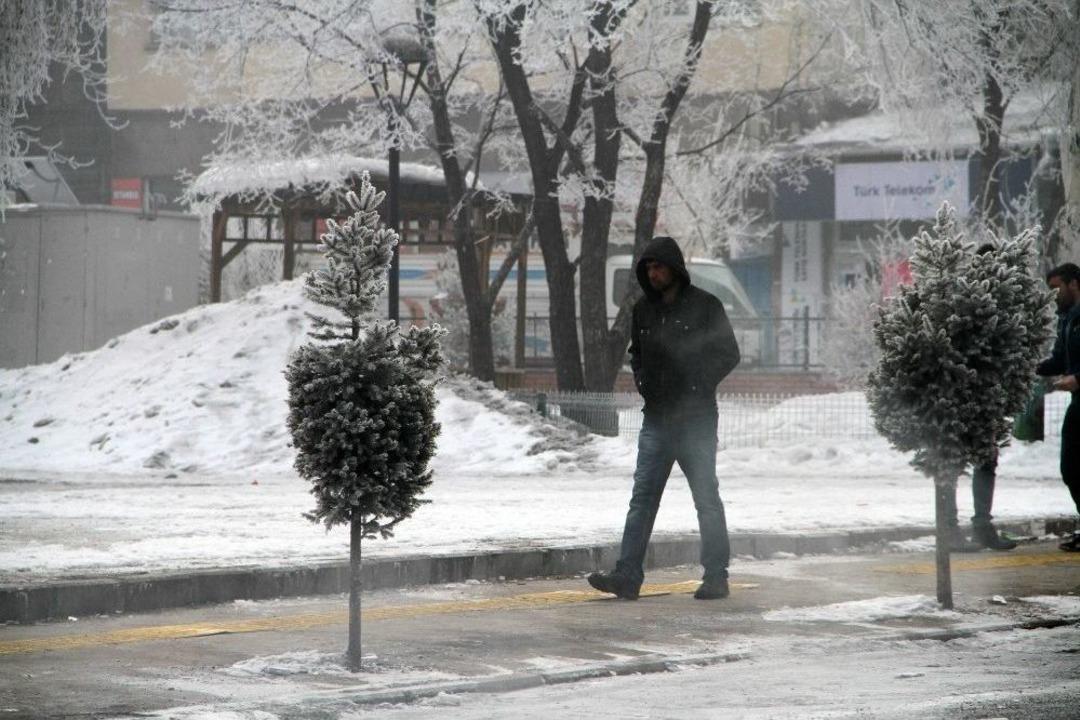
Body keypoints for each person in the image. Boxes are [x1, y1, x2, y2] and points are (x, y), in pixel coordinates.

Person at [587, 236, 740, 601]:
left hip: (696, 420)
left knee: (706, 497)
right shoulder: (643, 310)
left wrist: (697, 384)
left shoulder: (706, 306)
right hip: (656, 419)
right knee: (642, 498)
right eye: (649, 268)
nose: (653, 274)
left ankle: (716, 576)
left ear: (675, 267)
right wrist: (642, 379)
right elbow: (636, 354)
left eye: (659, 266)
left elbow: (728, 353)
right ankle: (628, 575)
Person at [944, 243, 1017, 552]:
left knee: (984, 461)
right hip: (964, 396)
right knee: (954, 463)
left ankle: (978, 527)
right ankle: (953, 529)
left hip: (986, 396)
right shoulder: (966, 300)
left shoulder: (1004, 302)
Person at [1036, 262, 1080, 552]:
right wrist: (1030, 366)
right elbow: (1059, 360)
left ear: (1073, 283)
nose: (1053, 296)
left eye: (1056, 289)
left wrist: (1078, 378)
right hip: (1079, 400)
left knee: (1074, 465)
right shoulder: (1067, 318)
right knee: (1072, 467)